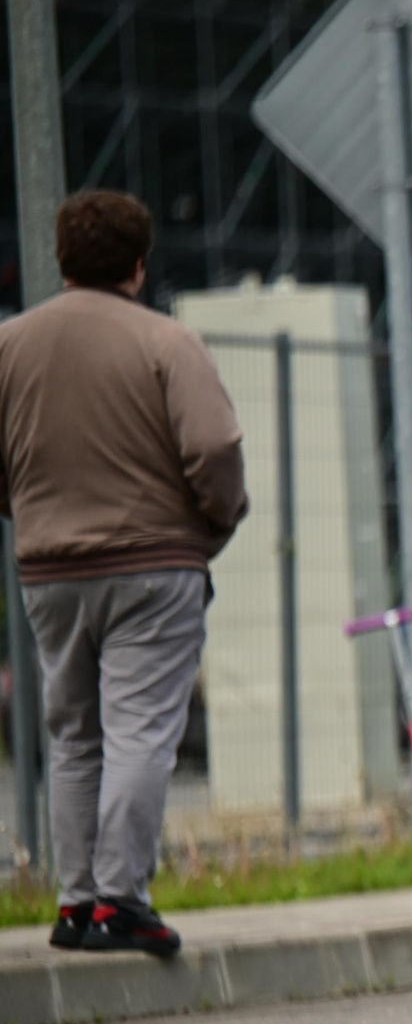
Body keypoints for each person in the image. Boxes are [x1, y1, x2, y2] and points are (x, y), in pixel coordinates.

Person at [0, 191, 247, 957]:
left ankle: (75, 904)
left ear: (62, 261)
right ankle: (122, 901)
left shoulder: (9, 344)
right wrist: (214, 521)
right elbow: (213, 447)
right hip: (153, 567)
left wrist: (31, 517)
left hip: (48, 571)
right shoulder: (168, 344)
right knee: (139, 731)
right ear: (139, 266)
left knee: (73, 735)